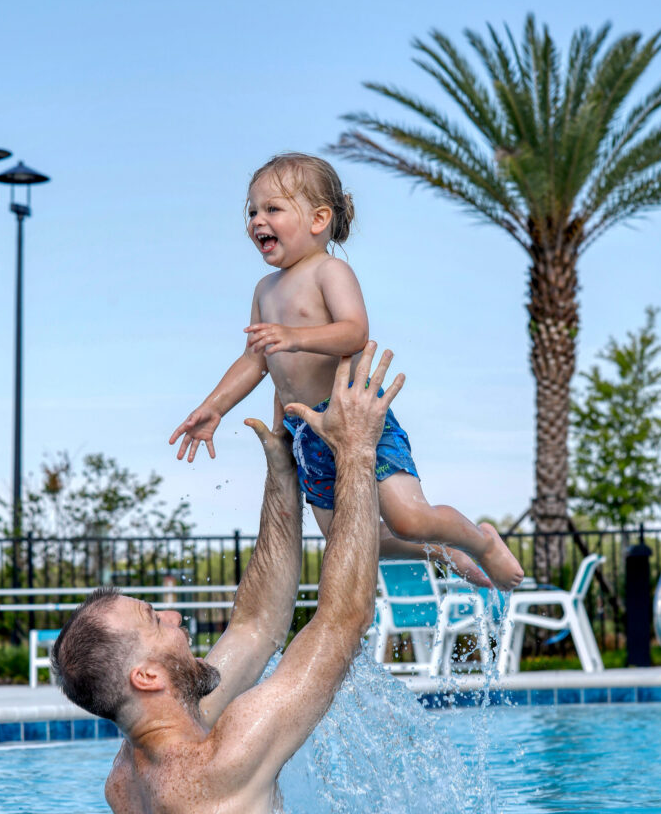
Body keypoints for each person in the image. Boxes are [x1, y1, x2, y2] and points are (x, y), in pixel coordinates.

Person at [52, 344, 402, 814]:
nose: (173, 617)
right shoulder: (220, 762)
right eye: (154, 621)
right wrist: (357, 449)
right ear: (146, 678)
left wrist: (282, 470)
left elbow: (257, 625)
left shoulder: (129, 777)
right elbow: (344, 622)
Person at [169, 152, 522, 592]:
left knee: (409, 518)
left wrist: (295, 337)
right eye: (253, 210)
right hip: (308, 432)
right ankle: (443, 553)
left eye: (273, 208)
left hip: (356, 422)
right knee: (346, 539)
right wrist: (213, 408)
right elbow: (254, 359)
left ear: (319, 219)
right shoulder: (264, 290)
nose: (258, 219)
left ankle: (481, 541)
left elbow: (355, 332)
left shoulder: (330, 271)